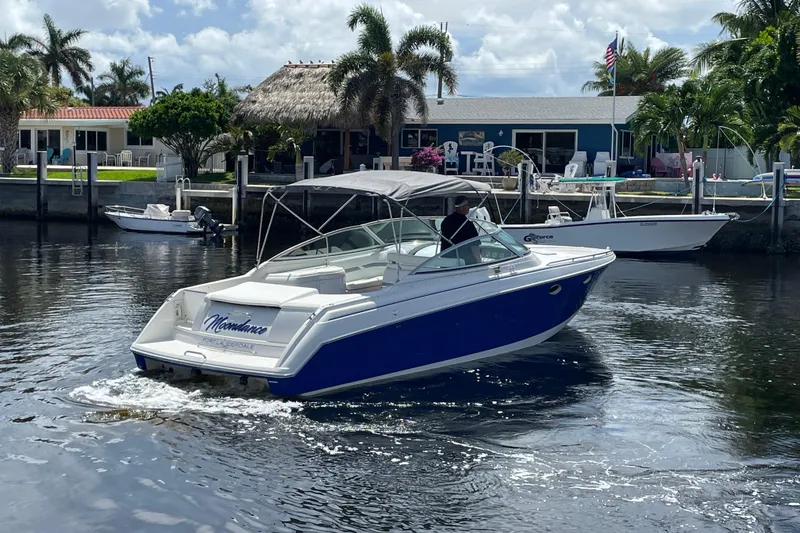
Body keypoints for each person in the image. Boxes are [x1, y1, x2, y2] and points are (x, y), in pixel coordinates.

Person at [440, 195, 481, 264]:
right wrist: (479, 261)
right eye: (468, 205)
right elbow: (474, 246)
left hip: (447, 261)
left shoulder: (446, 221)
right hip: (464, 262)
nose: (469, 207)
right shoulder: (468, 224)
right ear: (462, 207)